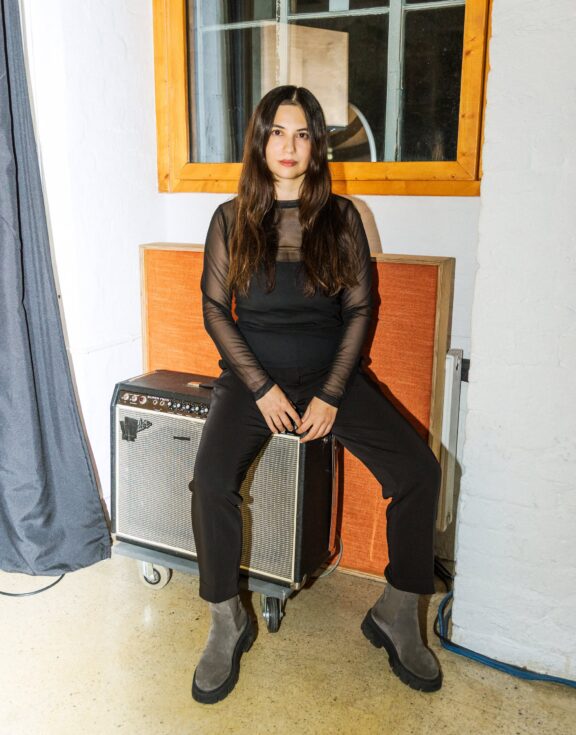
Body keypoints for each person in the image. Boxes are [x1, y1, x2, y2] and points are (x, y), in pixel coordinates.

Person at [190, 85, 443, 705]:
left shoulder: (342, 217)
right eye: (278, 132)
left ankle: (397, 611)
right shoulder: (229, 218)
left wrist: (331, 393)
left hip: (333, 376)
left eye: (302, 134)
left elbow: (359, 310)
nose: (289, 146)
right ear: (260, 141)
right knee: (210, 484)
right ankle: (226, 620)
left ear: (317, 146)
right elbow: (215, 311)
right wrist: (260, 387)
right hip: (254, 380)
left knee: (419, 472)